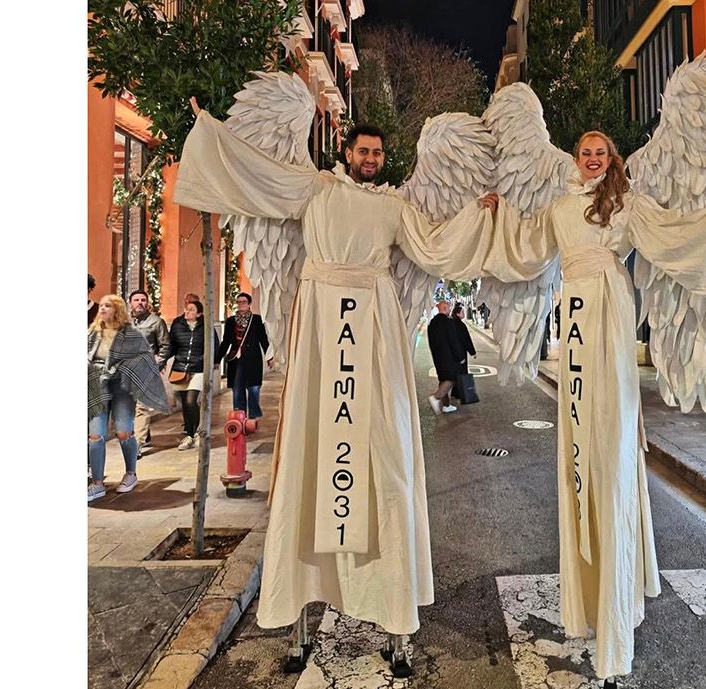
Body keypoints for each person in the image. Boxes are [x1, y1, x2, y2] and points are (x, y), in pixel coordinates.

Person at [174, 102, 498, 638]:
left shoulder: (394, 206)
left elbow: (434, 246)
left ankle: (383, 585)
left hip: (373, 320)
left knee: (383, 439)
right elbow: (261, 179)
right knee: (314, 436)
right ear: (347, 153)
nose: (371, 158)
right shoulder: (317, 189)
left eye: (378, 153)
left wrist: (475, 214)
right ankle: (307, 584)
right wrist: (212, 133)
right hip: (324, 319)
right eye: (363, 151)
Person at [484, 131, 706, 679]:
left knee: (609, 441)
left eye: (600, 152)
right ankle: (589, 596)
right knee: (580, 438)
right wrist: (495, 216)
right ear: (575, 158)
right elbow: (525, 245)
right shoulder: (560, 208)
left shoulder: (626, 204)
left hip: (609, 309)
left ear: (610, 159)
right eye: (585, 151)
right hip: (575, 314)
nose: (592, 158)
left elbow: (672, 233)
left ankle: (615, 596)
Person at [88, 294, 169, 502]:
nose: (102, 308)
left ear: (118, 310)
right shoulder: (93, 333)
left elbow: (144, 358)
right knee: (95, 435)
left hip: (122, 388)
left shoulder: (131, 335)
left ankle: (131, 473)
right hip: (98, 387)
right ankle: (97, 483)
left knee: (123, 432)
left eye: (108, 306)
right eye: (102, 305)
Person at [164, 299, 215, 450]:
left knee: (191, 401)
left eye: (191, 309)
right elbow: (171, 345)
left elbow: (214, 344)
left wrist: (213, 361)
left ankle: (199, 433)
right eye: (186, 308)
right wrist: (162, 360)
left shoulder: (206, 326)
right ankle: (189, 435)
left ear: (199, 314)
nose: (187, 311)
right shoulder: (177, 324)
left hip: (198, 368)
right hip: (180, 368)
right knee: (185, 403)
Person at [215, 292, 273, 421]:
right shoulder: (231, 321)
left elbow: (263, 340)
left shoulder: (256, 320)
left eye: (244, 302)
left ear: (249, 304)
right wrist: (217, 359)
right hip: (236, 361)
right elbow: (226, 342)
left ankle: (252, 417)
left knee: (253, 389)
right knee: (237, 389)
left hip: (253, 360)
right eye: (239, 302)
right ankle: (239, 417)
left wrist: (269, 357)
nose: (241, 304)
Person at [127, 289, 171, 453]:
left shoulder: (156, 322)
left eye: (143, 300)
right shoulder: (125, 322)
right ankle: (144, 435)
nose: (140, 303)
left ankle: (136, 445)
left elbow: (165, 345)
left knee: (142, 407)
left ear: (147, 303)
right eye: (136, 300)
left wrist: (157, 364)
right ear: (130, 303)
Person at [426, 301, 466, 414]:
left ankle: (446, 405)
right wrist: (460, 357)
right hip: (449, 357)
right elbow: (454, 342)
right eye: (448, 308)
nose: (450, 310)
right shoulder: (448, 322)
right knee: (452, 378)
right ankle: (436, 397)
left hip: (437, 356)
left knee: (443, 379)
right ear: (444, 308)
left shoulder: (432, 322)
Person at [449, 303, 476, 406]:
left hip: (452, 353)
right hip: (461, 353)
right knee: (462, 373)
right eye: (462, 312)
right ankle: (461, 393)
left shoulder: (450, 323)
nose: (464, 314)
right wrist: (472, 352)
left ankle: (454, 392)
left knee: (455, 372)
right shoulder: (461, 325)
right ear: (457, 314)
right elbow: (466, 340)